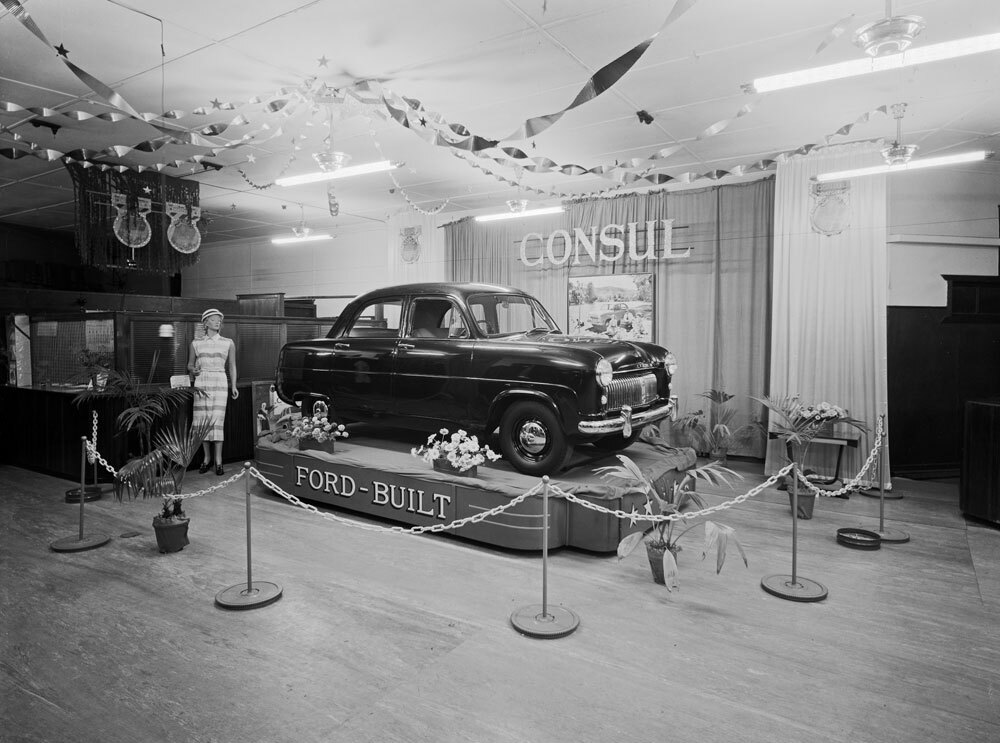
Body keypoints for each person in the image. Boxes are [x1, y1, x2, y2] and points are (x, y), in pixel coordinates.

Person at [188, 309, 238, 475]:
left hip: (220, 381)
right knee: (202, 421)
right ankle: (206, 459)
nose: (218, 322)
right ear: (206, 322)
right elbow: (189, 365)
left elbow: (232, 366)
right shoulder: (196, 343)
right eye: (215, 319)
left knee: (217, 421)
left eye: (220, 320)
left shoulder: (228, 342)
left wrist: (234, 385)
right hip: (201, 382)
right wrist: (192, 370)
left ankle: (218, 461)